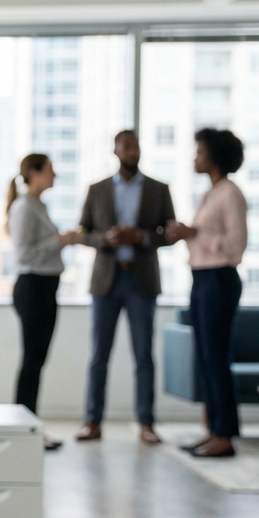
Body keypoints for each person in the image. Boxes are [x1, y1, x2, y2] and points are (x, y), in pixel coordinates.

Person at [75, 130, 178, 444]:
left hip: (141, 280)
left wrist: (143, 237)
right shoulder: (97, 190)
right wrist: (105, 239)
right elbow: (83, 232)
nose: (133, 151)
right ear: (116, 151)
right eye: (127, 147)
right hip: (106, 280)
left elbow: (170, 232)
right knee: (99, 355)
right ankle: (92, 421)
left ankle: (146, 423)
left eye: (136, 146)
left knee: (144, 355)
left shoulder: (159, 190)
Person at [166, 129, 248, 458]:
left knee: (217, 359)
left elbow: (236, 246)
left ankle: (225, 435)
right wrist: (189, 234)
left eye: (199, 151)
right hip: (201, 279)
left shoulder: (230, 194)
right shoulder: (211, 193)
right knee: (205, 358)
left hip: (220, 279)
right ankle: (214, 430)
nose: (194, 157)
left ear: (213, 156)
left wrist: (197, 232)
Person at [6, 154, 80, 450]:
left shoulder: (38, 206)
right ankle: (25, 429)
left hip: (46, 287)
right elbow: (23, 255)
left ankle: (29, 427)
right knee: (32, 362)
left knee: (37, 362)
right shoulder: (23, 207)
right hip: (33, 288)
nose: (55, 175)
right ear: (34, 173)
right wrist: (59, 241)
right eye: (50, 169)